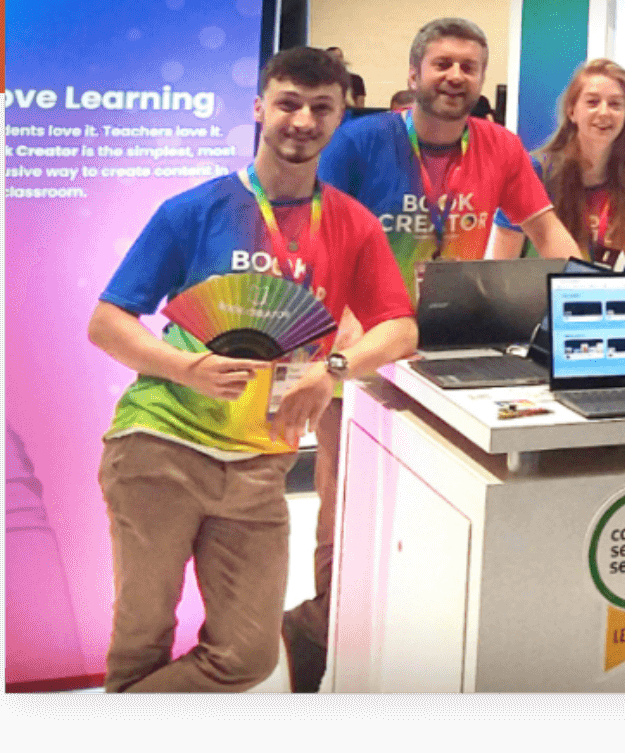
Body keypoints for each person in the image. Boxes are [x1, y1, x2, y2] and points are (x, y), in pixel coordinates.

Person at [87, 46, 417, 692]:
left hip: (261, 464)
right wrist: (188, 367)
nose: (302, 120)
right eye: (289, 102)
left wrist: (335, 370)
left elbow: (400, 328)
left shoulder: (350, 223)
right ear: (260, 107)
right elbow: (108, 323)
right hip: (160, 447)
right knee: (142, 636)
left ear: (340, 116)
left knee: (248, 655)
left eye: (321, 108)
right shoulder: (196, 209)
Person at [288, 17, 579, 691]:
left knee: (432, 504)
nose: (455, 78)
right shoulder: (359, 143)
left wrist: (596, 293)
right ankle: (321, 637)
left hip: (447, 358)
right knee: (344, 507)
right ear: (415, 73)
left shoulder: (502, 148)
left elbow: (545, 229)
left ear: (481, 80)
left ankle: (398, 645)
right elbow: (316, 240)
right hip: (357, 355)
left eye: (469, 67)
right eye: (442, 64)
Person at [491, 58, 625, 268]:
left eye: (615, 104)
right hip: (536, 299)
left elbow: (624, 263)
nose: (604, 112)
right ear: (571, 111)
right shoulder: (535, 172)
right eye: (592, 102)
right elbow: (503, 270)